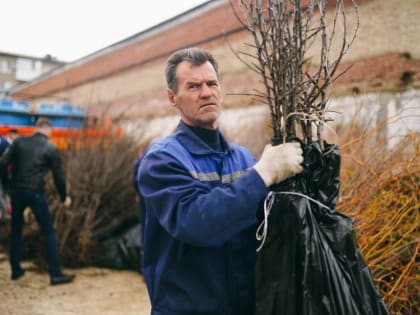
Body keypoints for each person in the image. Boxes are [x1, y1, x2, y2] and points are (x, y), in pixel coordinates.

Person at [135, 47, 304, 315]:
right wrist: (263, 175)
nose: (206, 92)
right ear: (172, 98)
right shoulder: (161, 161)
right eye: (193, 86)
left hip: (243, 305)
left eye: (211, 83)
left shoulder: (242, 157)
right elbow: (195, 221)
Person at [0, 117, 75, 285]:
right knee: (48, 231)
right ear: (47, 129)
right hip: (35, 192)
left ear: (36, 128)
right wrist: (64, 198)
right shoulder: (50, 147)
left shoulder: (18, 142)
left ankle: (15, 270)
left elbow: (3, 164)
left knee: (16, 229)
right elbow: (59, 177)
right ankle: (55, 274)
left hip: (17, 192)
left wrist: (7, 188)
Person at [0, 134, 10, 220]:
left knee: (3, 193)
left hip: (4, 172)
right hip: (5, 172)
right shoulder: (5, 141)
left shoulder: (5, 141)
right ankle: (5, 214)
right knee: (3, 193)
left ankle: (5, 214)